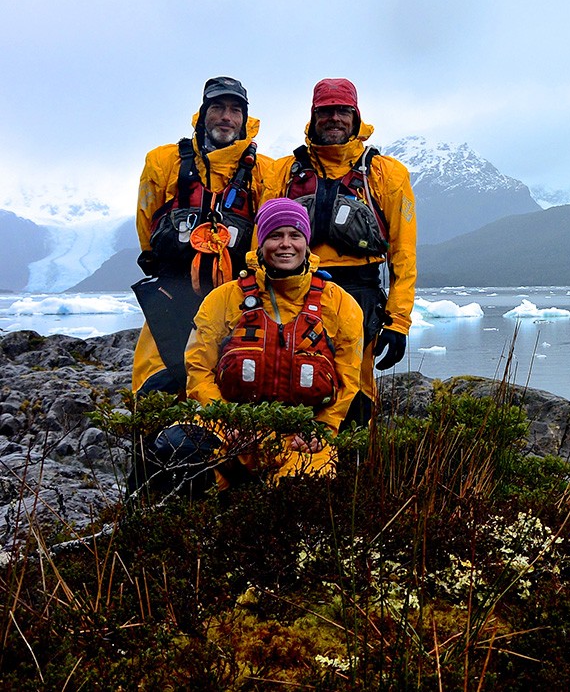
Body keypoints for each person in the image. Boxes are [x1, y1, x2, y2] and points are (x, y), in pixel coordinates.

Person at [174, 198, 364, 487]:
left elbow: (349, 379)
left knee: (305, 484)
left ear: (306, 243)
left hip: (302, 439)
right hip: (231, 430)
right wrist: (224, 418)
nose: (285, 244)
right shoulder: (224, 299)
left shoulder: (339, 304)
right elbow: (198, 369)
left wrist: (322, 429)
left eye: (295, 235)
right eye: (275, 235)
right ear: (261, 242)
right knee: (174, 447)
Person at [264, 78, 416, 426]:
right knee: (291, 385)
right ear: (314, 116)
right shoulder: (284, 172)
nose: (334, 119)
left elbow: (403, 254)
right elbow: (264, 242)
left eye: (343, 111)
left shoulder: (385, 174)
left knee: (354, 390)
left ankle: (354, 471)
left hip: (359, 294)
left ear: (356, 116)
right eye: (326, 111)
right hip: (293, 292)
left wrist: (398, 321)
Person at [132, 77, 271, 394]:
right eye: (218, 107)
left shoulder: (264, 171)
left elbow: (264, 237)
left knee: (226, 386)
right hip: (171, 293)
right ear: (203, 112)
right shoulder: (163, 161)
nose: (227, 116)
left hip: (234, 299)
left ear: (245, 120)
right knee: (155, 385)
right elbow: (146, 221)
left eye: (236, 110)